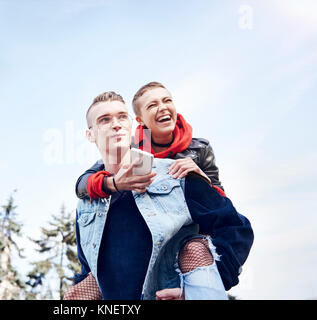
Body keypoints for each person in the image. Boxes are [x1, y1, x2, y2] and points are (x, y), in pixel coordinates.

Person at [67, 91, 253, 300]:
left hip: (168, 292)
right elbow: (88, 270)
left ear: (131, 126)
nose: (116, 124)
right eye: (104, 120)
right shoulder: (87, 204)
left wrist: (197, 292)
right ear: (90, 135)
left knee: (195, 248)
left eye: (121, 117)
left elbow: (237, 228)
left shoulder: (176, 174)